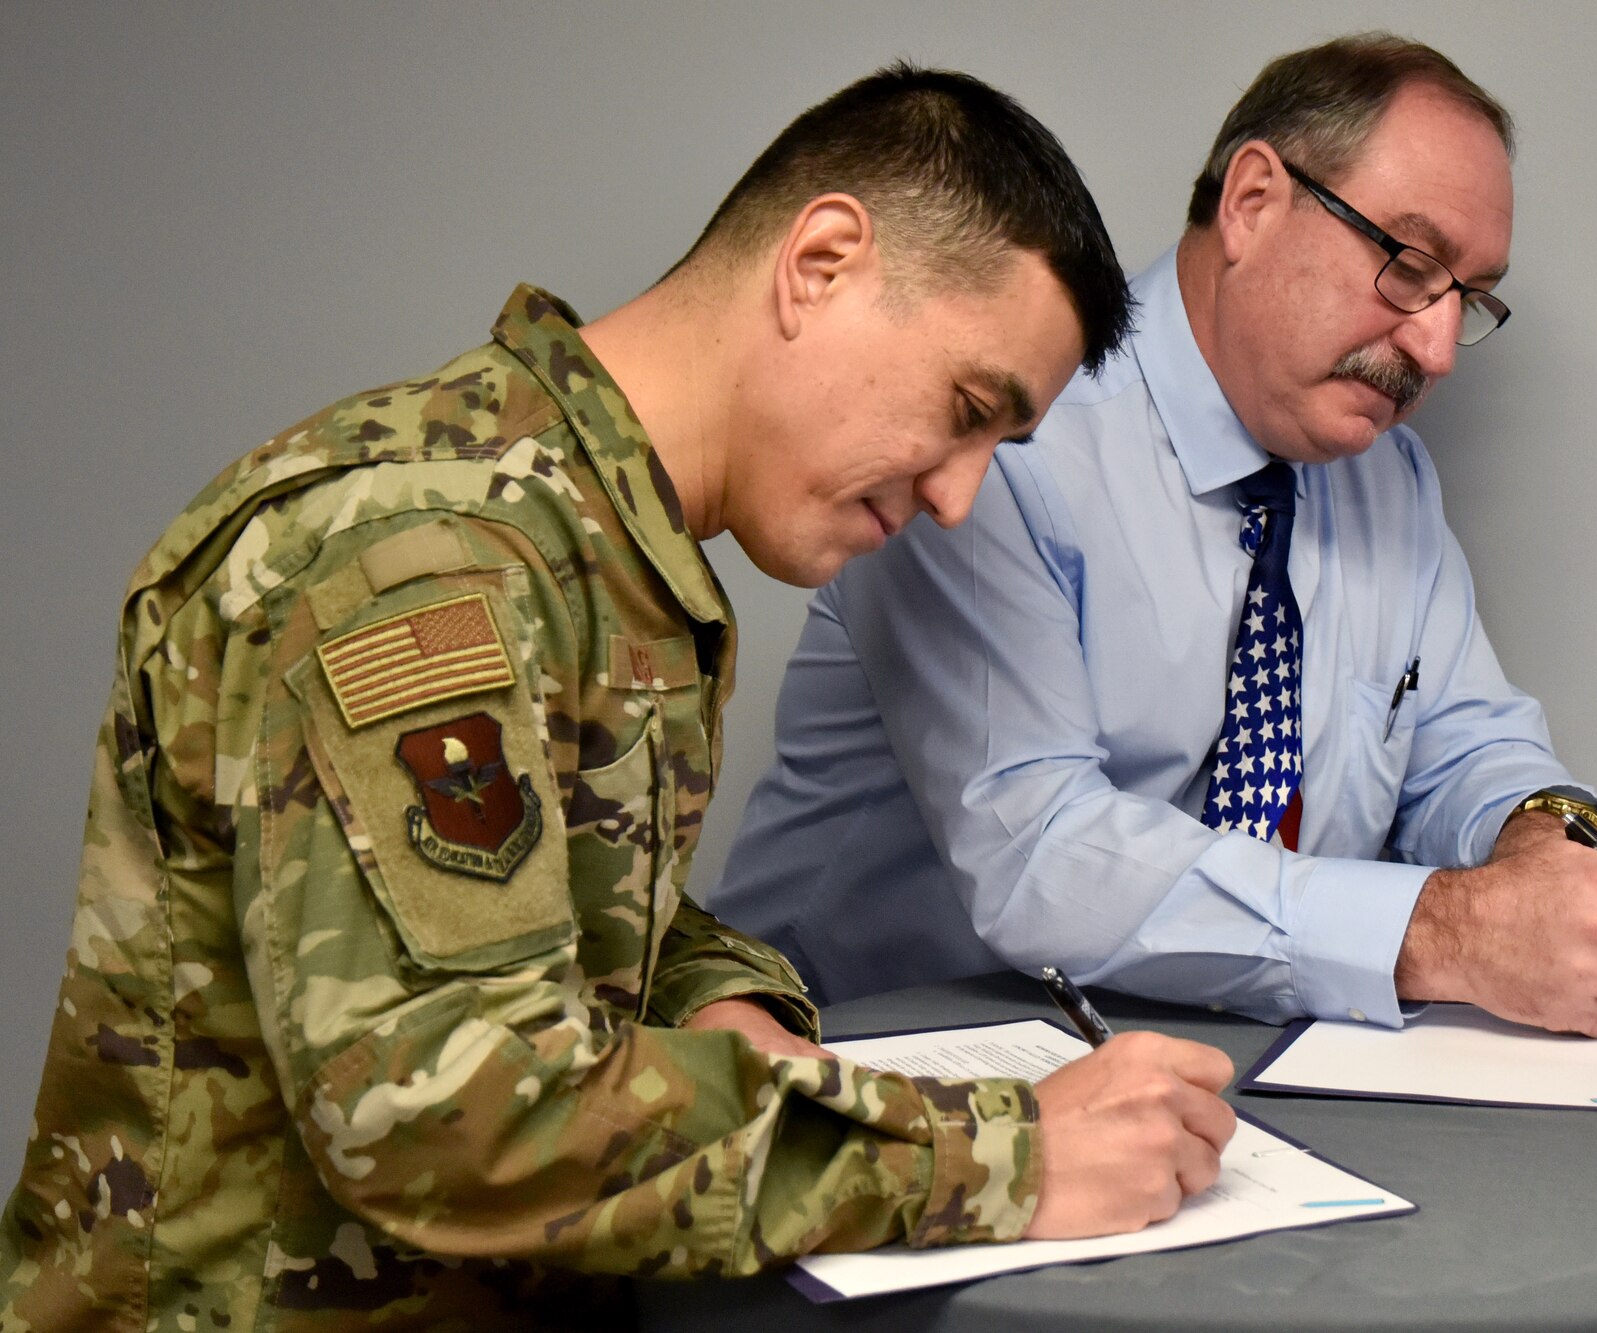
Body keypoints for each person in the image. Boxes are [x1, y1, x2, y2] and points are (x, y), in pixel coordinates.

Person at [0, 65, 1238, 1332]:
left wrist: (719, 995)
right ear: (820, 264)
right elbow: (449, 1112)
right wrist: (996, 1156)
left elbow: (542, 904)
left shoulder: (590, 540)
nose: (957, 496)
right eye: (965, 411)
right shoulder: (432, 561)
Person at [710, 34, 1597, 1042]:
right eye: (1407, 264)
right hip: (881, 1061)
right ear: (1252, 201)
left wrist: (1539, 844)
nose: (1435, 347)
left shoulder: (1386, 479)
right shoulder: (996, 434)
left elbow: (1466, 742)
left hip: (1241, 1078)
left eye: (1467, 299)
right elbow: (1039, 852)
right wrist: (1449, 931)